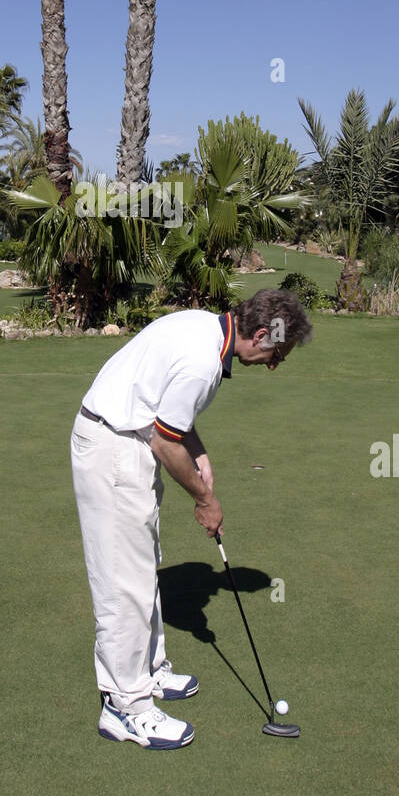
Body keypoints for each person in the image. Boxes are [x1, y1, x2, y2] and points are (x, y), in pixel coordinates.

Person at [70, 287, 312, 749]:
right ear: (260, 334)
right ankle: (127, 706)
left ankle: (150, 671)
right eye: (276, 353)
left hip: (126, 437)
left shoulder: (207, 327)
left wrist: (197, 450)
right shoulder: (205, 362)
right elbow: (165, 442)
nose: (275, 364)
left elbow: (172, 419)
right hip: (113, 447)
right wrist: (205, 500)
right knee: (124, 581)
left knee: (142, 567)